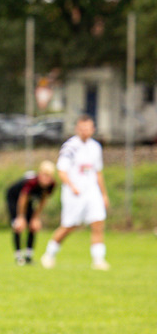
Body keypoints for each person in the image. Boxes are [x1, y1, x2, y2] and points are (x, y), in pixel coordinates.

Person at [40, 115, 111, 270]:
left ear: (93, 129)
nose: (85, 131)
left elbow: (98, 172)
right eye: (82, 128)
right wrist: (72, 186)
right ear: (77, 129)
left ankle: (98, 260)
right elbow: (62, 171)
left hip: (92, 192)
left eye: (88, 128)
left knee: (98, 223)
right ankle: (49, 255)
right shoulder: (70, 147)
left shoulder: (95, 147)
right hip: (75, 194)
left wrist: (104, 194)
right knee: (69, 226)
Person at [5, 160, 56, 265]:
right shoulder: (31, 182)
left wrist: (35, 217)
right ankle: (18, 257)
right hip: (14, 198)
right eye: (45, 175)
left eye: (49, 176)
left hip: (29, 201)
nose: (47, 179)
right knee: (18, 225)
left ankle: (28, 256)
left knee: (33, 225)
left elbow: (43, 200)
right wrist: (20, 217)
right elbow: (22, 199)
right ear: (40, 174)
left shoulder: (51, 184)